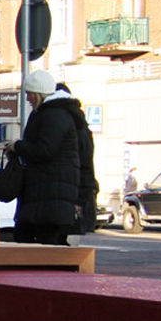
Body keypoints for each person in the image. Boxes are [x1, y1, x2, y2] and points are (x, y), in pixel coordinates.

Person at [2, 69, 80, 246]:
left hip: (49, 200)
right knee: (32, 243)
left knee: (43, 248)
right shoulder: (50, 114)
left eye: (29, 94)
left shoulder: (54, 115)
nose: (28, 99)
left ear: (38, 94)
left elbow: (45, 150)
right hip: (45, 198)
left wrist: (18, 146)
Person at [55, 81, 98, 236]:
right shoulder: (82, 126)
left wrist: (80, 199)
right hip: (74, 196)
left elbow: (84, 165)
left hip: (70, 197)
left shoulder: (71, 126)